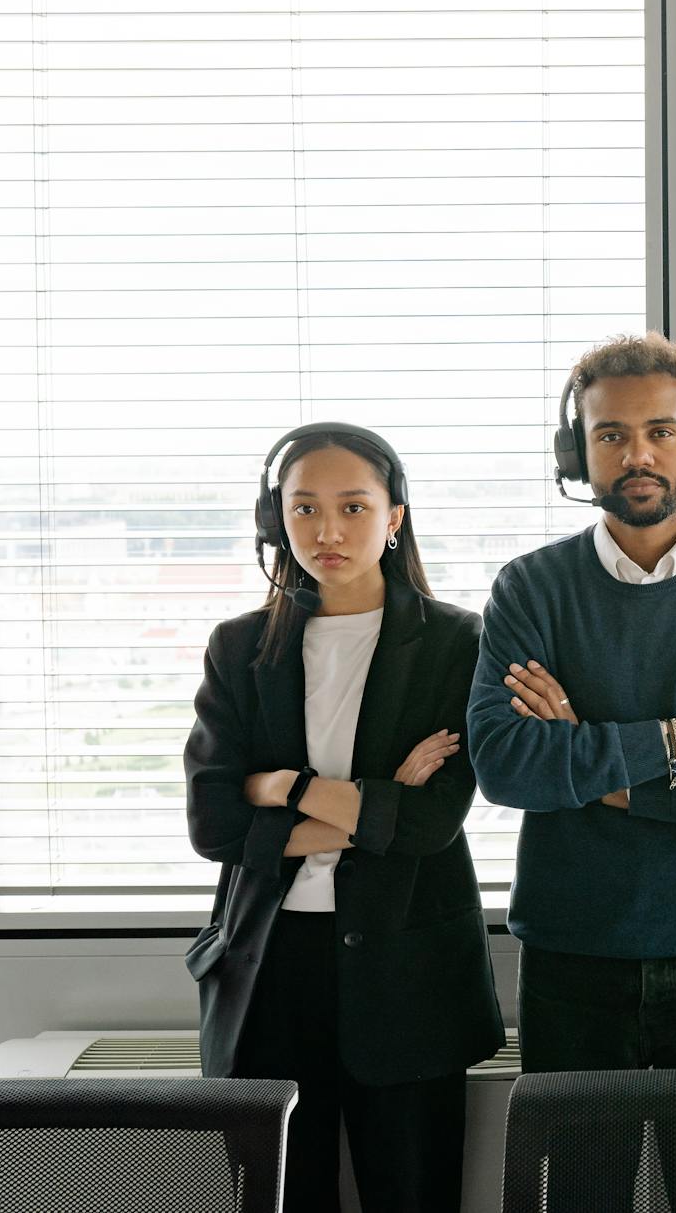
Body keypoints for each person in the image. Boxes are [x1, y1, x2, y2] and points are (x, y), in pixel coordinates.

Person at [465, 334, 676, 1203]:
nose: (638, 453)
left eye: (661, 429)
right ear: (577, 450)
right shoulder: (529, 589)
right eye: (611, 433)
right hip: (573, 946)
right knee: (580, 1193)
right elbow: (508, 764)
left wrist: (586, 755)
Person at [185, 422, 504, 1213]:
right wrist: (368, 799)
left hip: (410, 975)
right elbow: (214, 824)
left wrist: (280, 786)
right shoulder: (238, 646)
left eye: (354, 506)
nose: (327, 531)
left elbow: (432, 823)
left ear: (395, 517)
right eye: (304, 508)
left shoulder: (458, 642)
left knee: (414, 1195)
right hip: (269, 970)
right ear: (275, 518)